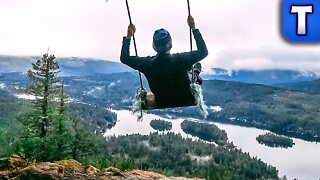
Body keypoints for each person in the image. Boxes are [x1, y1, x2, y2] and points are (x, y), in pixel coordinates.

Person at [120, 15, 208, 107]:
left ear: (154, 46)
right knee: (193, 69)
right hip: (183, 96)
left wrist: (129, 36)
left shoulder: (147, 64)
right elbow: (203, 52)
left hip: (162, 99)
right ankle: (196, 72)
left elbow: (124, 58)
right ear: (170, 44)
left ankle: (194, 71)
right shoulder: (180, 59)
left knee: (189, 68)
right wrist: (193, 28)